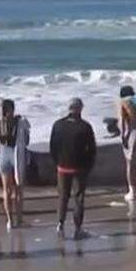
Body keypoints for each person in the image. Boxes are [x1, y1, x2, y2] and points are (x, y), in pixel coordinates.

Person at [49, 98, 97, 240]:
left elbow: (53, 147)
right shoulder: (85, 126)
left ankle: (60, 225)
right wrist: (89, 165)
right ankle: (78, 229)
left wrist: (58, 162)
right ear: (80, 108)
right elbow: (92, 149)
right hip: (80, 168)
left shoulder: (58, 125)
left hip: (63, 167)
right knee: (79, 198)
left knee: (63, 197)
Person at [0, 99, 30, 230]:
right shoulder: (19, 122)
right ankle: (18, 220)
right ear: (12, 110)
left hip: (4, 154)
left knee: (6, 190)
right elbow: (26, 140)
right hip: (16, 154)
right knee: (18, 189)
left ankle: (10, 221)